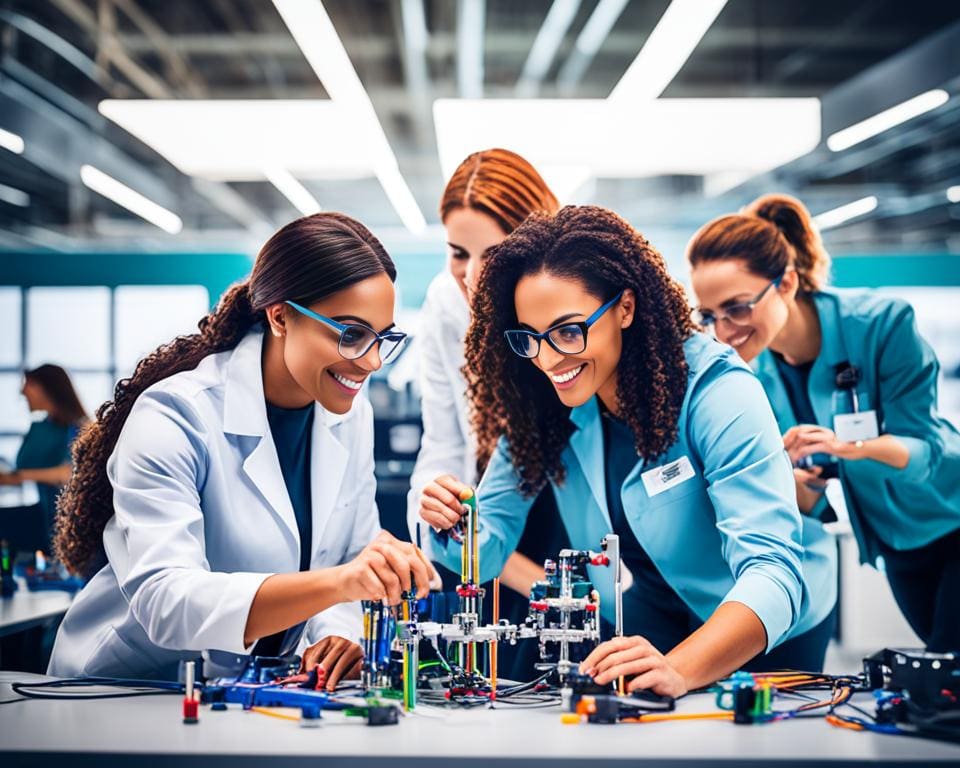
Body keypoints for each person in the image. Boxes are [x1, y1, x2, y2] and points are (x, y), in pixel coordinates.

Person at [418, 206, 837, 696]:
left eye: (569, 331)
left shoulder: (717, 391)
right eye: (530, 339)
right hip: (645, 624)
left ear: (625, 308)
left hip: (756, 628)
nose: (549, 358)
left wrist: (681, 668)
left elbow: (772, 571)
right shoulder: (546, 406)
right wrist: (455, 520)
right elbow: (486, 553)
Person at [48, 212, 432, 684]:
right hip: (125, 690)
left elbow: (351, 550)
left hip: (248, 687)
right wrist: (342, 581)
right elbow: (166, 601)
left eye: (383, 338)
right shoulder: (175, 415)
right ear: (280, 315)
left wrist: (340, 631)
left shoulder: (351, 414)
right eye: (351, 334)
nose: (372, 361)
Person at [687, 193, 960, 653]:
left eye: (737, 308)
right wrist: (799, 481)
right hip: (892, 542)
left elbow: (925, 453)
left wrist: (847, 447)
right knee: (943, 686)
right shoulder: (749, 376)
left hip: (949, 516)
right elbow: (811, 497)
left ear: (787, 283)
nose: (724, 331)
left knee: (946, 677)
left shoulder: (881, 324)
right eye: (709, 317)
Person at [407, 149, 568, 677]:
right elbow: (445, 443)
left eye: (494, 253)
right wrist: (437, 498)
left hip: (565, 510)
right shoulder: (444, 305)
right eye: (458, 253)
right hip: (488, 523)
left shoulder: (565, 300)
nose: (473, 276)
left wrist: (536, 580)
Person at [0, 365, 87, 548]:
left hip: (76, 527)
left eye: (28, 385)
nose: (22, 391)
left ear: (43, 388)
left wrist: (19, 476)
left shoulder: (80, 428)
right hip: (48, 521)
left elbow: (68, 474)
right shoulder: (43, 428)